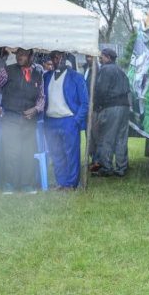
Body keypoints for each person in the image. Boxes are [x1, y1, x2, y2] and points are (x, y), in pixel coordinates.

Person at [0, 48, 44, 194]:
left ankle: (27, 185)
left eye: (23, 54)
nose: (19, 57)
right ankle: (9, 184)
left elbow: (42, 97)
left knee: (28, 152)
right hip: (10, 118)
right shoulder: (7, 71)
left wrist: (36, 109)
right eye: (17, 54)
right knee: (11, 152)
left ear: (31, 55)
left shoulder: (38, 74)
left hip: (29, 120)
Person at [43, 51, 90, 191]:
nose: (58, 60)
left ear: (66, 59)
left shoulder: (76, 77)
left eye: (60, 57)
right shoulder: (47, 76)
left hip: (69, 120)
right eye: (55, 57)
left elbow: (85, 103)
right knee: (56, 154)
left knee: (71, 154)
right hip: (51, 121)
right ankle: (61, 182)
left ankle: (72, 183)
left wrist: (76, 120)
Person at [91, 48, 131, 177]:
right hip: (124, 107)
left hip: (111, 107)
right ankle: (121, 168)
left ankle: (106, 168)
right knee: (121, 138)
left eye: (101, 57)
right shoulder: (121, 70)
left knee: (107, 137)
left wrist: (96, 107)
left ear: (107, 57)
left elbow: (101, 90)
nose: (100, 59)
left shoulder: (105, 69)